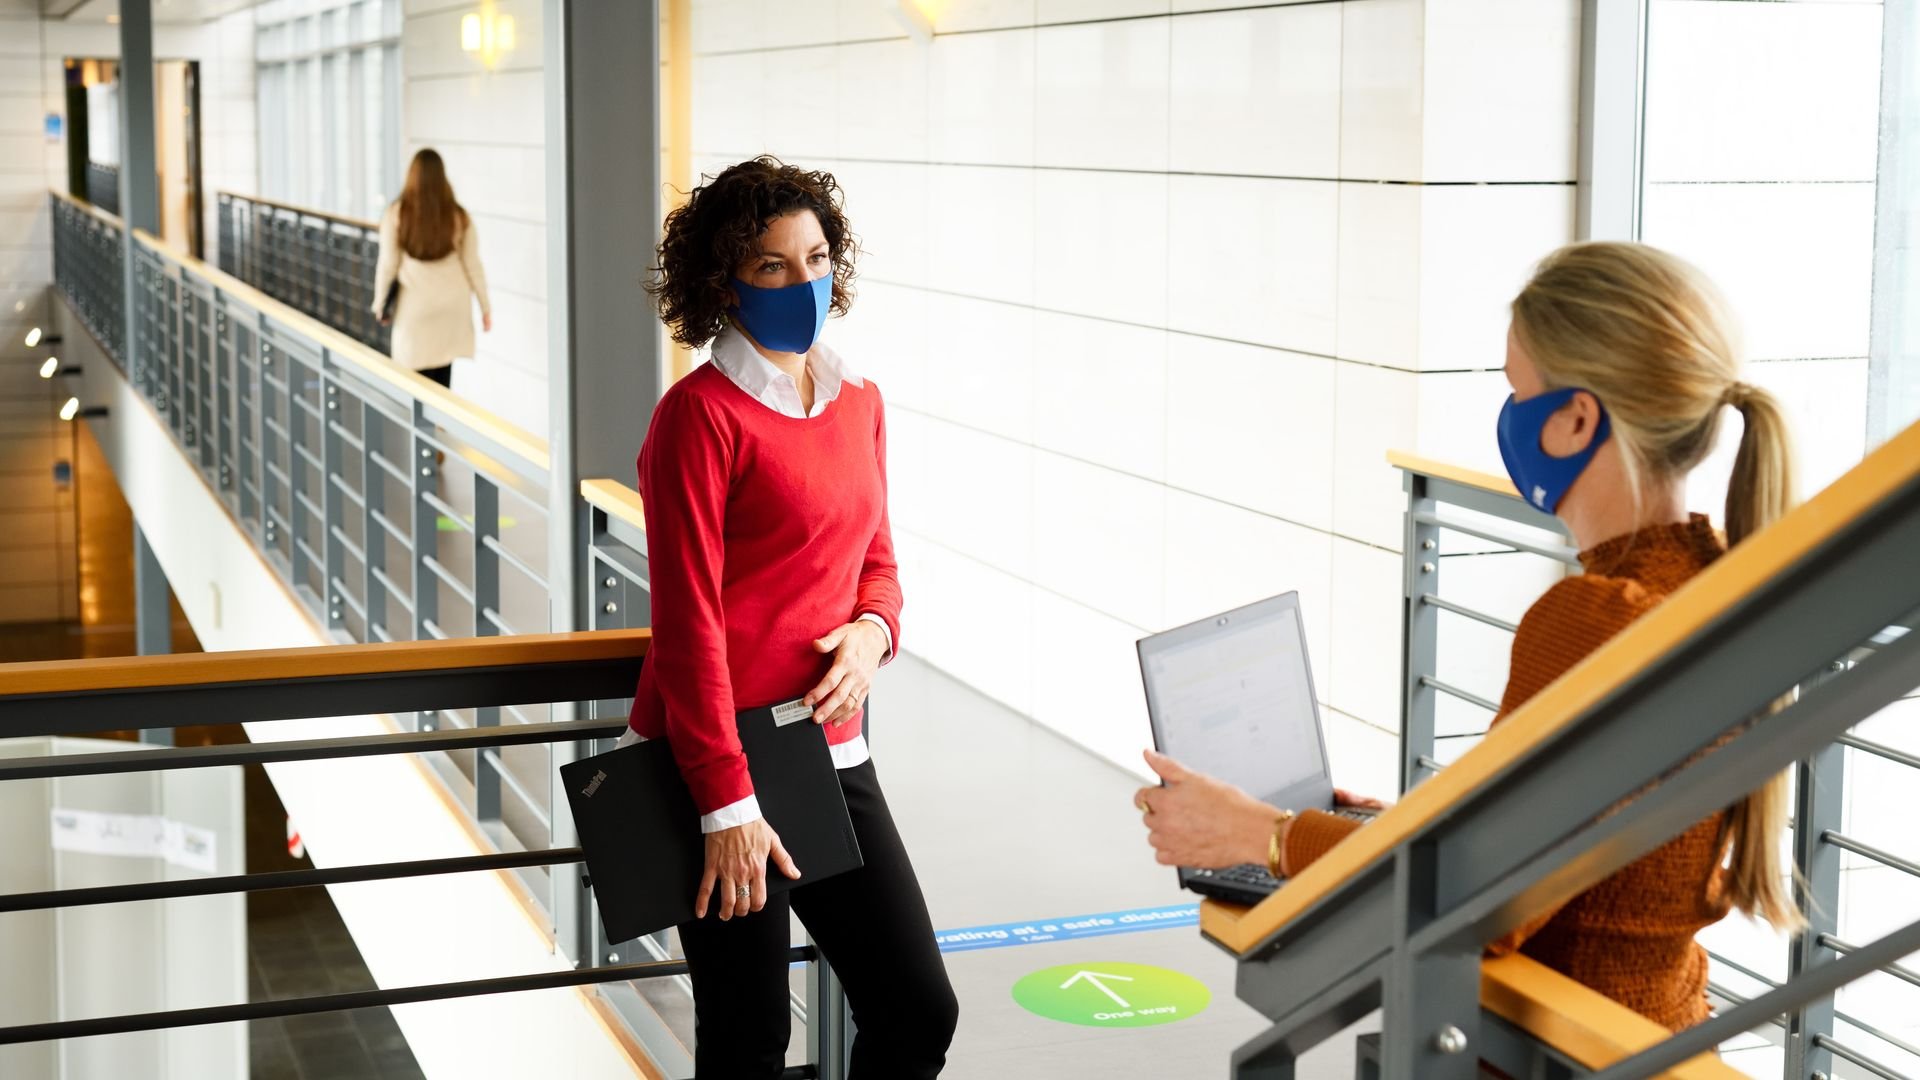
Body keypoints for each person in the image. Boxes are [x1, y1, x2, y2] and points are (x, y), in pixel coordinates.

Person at [1137, 241, 1803, 1031]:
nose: (1507, 418)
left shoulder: (1601, 617)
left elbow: (1466, 899)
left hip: (1555, 1049)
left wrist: (1263, 835)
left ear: (1576, 418)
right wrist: (1376, 829)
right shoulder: (1717, 582)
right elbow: (1540, 843)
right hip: (1659, 1026)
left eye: (1517, 392)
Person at [619, 156, 958, 1079]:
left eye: (814, 258)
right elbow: (687, 628)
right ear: (722, 278)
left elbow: (877, 565)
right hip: (718, 769)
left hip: (828, 752)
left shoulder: (859, 405)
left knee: (918, 1010)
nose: (801, 282)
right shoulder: (697, 418)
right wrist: (727, 806)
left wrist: (871, 632)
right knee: (747, 1040)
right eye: (771, 265)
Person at [371, 148, 491, 388]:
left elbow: (388, 264)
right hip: (452, 307)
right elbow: (473, 265)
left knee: (416, 383)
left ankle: (423, 425)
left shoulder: (397, 214)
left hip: (416, 308)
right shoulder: (458, 216)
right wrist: (485, 307)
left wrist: (380, 303)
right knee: (442, 377)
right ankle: (438, 426)